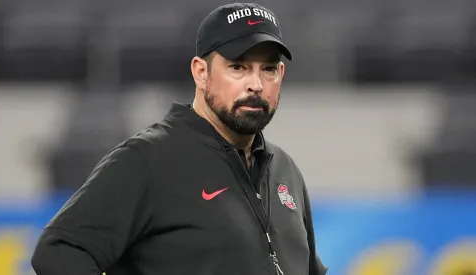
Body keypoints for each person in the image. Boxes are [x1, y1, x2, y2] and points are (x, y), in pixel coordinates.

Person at [31, 2, 328, 275]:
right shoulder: (147, 159)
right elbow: (59, 252)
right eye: (238, 67)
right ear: (201, 72)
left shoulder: (284, 170)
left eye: (268, 69)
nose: (256, 84)